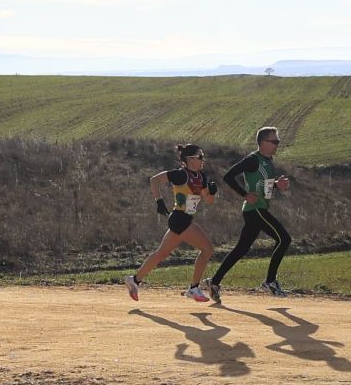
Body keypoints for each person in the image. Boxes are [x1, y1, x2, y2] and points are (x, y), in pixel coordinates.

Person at [209, 126, 292, 301]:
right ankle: (270, 281)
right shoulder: (253, 160)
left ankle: (215, 282)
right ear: (263, 143)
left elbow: (262, 184)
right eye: (274, 141)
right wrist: (244, 194)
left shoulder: (268, 161)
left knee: (241, 249)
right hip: (255, 210)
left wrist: (277, 184)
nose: (277, 144)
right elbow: (228, 176)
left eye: (278, 141)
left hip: (257, 210)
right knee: (284, 239)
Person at [125, 144, 217, 303]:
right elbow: (154, 180)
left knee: (160, 254)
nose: (203, 160)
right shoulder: (181, 175)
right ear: (189, 160)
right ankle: (194, 288)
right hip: (179, 219)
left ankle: (135, 280)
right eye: (200, 157)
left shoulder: (201, 177)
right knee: (207, 249)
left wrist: (212, 192)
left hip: (185, 219)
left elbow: (208, 200)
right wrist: (158, 200)